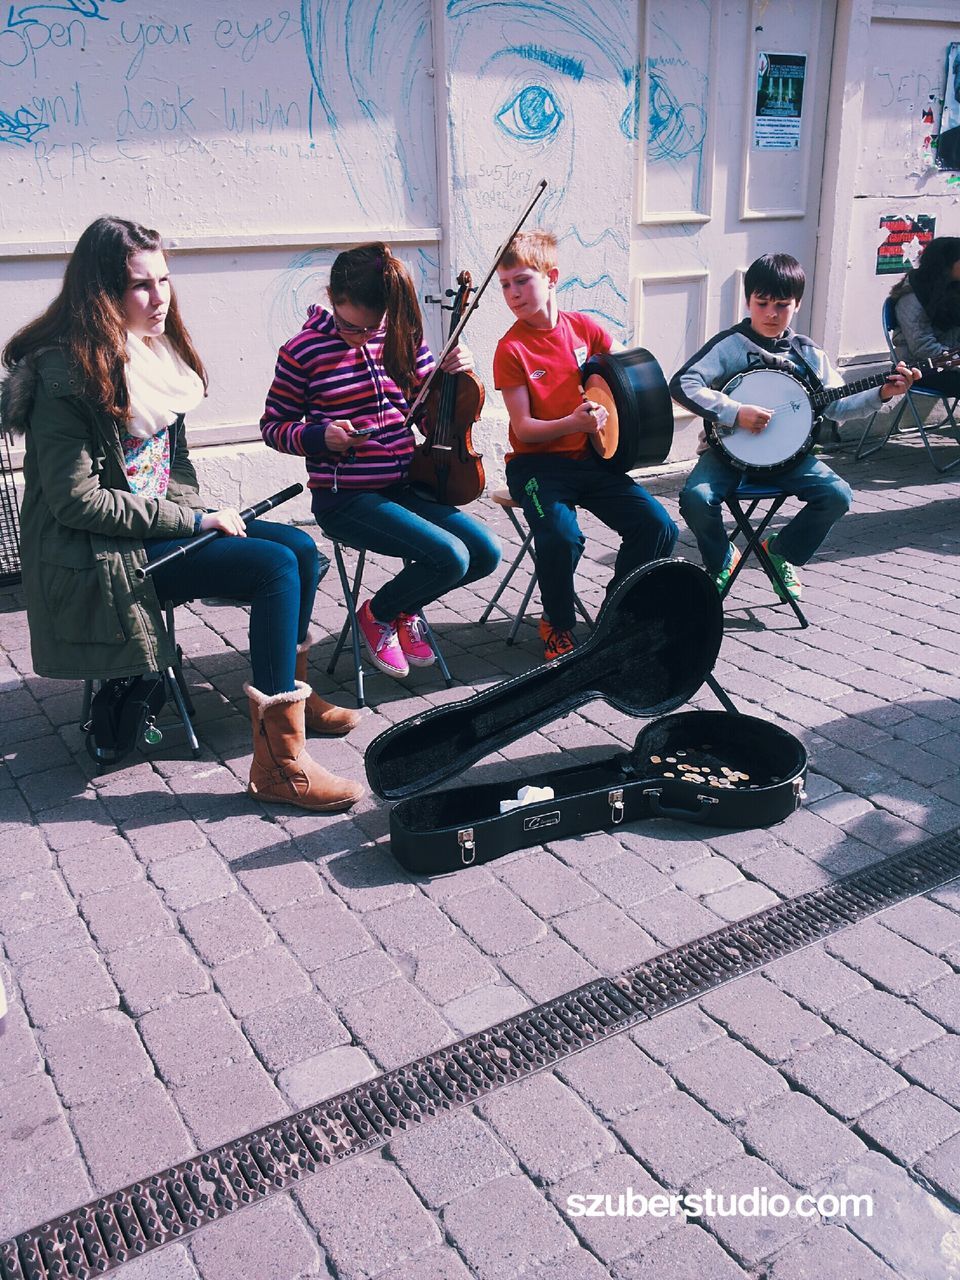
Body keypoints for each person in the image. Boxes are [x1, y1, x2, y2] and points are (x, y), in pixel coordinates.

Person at [1, 216, 362, 813]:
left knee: (300, 550)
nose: (160, 296)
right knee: (273, 567)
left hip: (156, 527)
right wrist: (193, 523)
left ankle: (293, 696)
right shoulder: (65, 373)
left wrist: (202, 510)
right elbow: (76, 502)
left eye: (164, 279)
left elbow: (176, 471)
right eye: (142, 285)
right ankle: (279, 763)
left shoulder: (155, 354)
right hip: (101, 551)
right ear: (101, 293)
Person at [260, 241, 501, 680]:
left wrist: (455, 372)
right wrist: (321, 436)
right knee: (449, 557)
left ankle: (402, 608)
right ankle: (377, 615)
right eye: (354, 329)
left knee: (485, 551)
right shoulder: (302, 352)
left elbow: (435, 407)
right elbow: (273, 427)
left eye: (374, 328)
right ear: (333, 299)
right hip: (345, 499)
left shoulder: (400, 334)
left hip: (406, 485)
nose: (365, 338)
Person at [671, 253, 919, 599]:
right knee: (696, 498)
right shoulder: (729, 346)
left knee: (837, 495)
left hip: (789, 458)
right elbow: (683, 384)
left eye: (782, 305)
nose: (771, 314)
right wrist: (735, 411)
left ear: (797, 304)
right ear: (748, 301)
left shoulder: (808, 354)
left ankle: (781, 552)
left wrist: (882, 392)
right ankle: (722, 557)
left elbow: (838, 406)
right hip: (726, 454)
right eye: (762, 303)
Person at [493, 229, 678, 662]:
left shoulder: (584, 327)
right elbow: (525, 428)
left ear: (551, 276)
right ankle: (557, 623)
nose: (513, 293)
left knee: (658, 527)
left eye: (522, 280)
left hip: (592, 460)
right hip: (536, 467)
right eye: (505, 285)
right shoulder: (511, 348)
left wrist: (613, 409)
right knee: (561, 536)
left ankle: (619, 612)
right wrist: (571, 421)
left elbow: (628, 373)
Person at [889, 235, 960, 398]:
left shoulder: (953, 289)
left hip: (951, 363)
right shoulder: (912, 297)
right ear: (946, 264)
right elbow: (922, 347)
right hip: (919, 369)